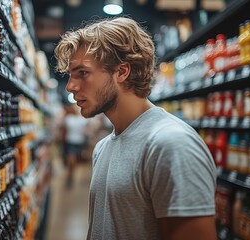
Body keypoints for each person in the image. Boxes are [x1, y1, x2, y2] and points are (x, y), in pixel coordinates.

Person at [54, 16, 217, 240]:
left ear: (122, 72)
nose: (71, 86)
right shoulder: (103, 147)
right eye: (70, 76)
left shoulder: (170, 145)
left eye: (82, 73)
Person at [62, 103, 88, 187]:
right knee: (71, 159)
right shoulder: (68, 118)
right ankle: (70, 174)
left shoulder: (82, 119)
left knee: (75, 161)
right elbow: (64, 130)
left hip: (79, 142)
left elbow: (86, 130)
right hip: (70, 142)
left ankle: (71, 174)